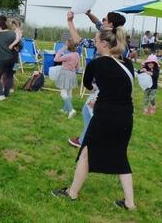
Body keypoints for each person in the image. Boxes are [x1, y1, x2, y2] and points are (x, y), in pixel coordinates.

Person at [52, 26, 137, 211]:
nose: (94, 44)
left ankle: (72, 193)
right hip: (126, 117)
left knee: (86, 153)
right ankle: (130, 203)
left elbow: (88, 85)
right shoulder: (128, 64)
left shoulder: (96, 64)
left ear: (105, 44)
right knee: (121, 156)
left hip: (105, 115)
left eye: (97, 41)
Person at [67, 11, 126, 148]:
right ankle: (89, 138)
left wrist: (70, 22)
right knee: (92, 110)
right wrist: (89, 14)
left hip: (102, 81)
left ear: (110, 24)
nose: (102, 21)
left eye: (105, 19)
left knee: (90, 111)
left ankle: (85, 140)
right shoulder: (117, 36)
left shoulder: (105, 40)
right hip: (110, 81)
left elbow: (79, 41)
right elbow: (97, 23)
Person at [55, 38, 80, 118]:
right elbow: (78, 67)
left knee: (63, 93)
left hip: (65, 74)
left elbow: (55, 59)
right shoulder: (77, 55)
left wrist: (62, 49)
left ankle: (71, 110)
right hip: (72, 74)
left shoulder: (68, 56)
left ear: (68, 46)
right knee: (69, 92)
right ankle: (65, 109)